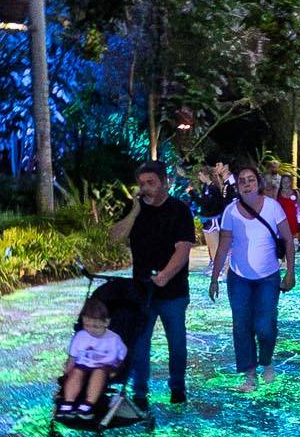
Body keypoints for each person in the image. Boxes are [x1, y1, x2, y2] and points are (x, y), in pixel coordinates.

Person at [209, 163, 294, 389]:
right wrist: (214, 277)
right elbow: (224, 246)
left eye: (251, 180)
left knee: (265, 326)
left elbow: (287, 239)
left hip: (268, 277)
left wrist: (290, 272)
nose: (247, 184)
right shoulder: (230, 212)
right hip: (239, 278)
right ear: (237, 187)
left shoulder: (273, 207)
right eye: (242, 181)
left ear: (258, 183)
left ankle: (266, 362)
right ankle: (249, 373)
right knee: (242, 325)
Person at [123, 162, 196, 405]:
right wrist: (133, 212)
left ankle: (177, 387)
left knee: (176, 342)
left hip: (173, 292)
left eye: (151, 182)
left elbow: (183, 249)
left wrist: (165, 275)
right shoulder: (135, 209)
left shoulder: (180, 210)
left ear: (164, 182)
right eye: (142, 183)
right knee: (140, 344)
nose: (145, 188)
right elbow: (113, 238)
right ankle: (140, 392)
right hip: (142, 291)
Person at [55, 285, 129, 419]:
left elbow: (121, 357)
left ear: (106, 322)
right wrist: (67, 371)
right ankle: (68, 402)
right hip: (83, 365)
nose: (91, 330)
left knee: (99, 373)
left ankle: (88, 404)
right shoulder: (81, 336)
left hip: (105, 367)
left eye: (95, 326)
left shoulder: (114, 339)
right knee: (76, 373)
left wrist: (115, 370)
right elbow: (72, 357)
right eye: (87, 325)